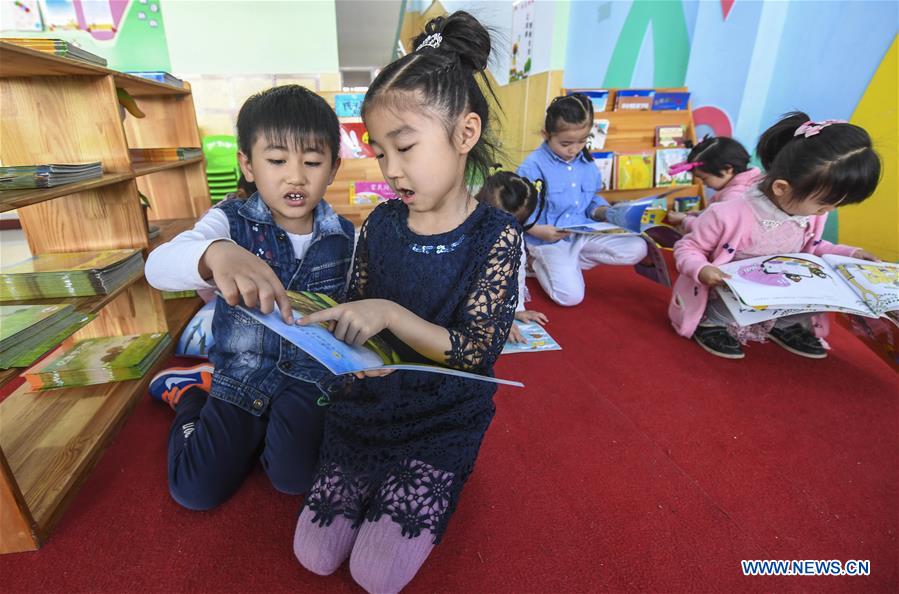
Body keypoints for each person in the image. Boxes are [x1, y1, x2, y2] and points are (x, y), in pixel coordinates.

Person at [291, 12, 522, 593]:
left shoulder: (496, 235)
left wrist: (390, 314)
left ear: (465, 134)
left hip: (444, 414)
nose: (391, 170)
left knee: (375, 574)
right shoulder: (382, 223)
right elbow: (358, 308)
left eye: (405, 147)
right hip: (372, 404)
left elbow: (473, 352)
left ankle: (445, 473)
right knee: (314, 554)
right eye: (380, 153)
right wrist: (329, 331)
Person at [144, 85, 355, 509]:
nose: (295, 177)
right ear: (248, 164)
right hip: (242, 375)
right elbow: (157, 268)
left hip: (309, 379)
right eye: (276, 161)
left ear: (333, 167)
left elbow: (357, 308)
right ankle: (192, 395)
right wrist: (214, 252)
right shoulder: (228, 221)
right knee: (194, 492)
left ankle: (265, 435)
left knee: (294, 480)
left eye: (312, 162)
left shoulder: (346, 236)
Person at [669, 112, 882, 359]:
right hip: (731, 289)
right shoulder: (728, 213)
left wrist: (850, 254)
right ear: (781, 188)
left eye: (836, 204)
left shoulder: (809, 213)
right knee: (731, 301)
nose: (829, 211)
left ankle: (782, 324)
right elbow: (688, 247)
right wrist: (702, 269)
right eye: (824, 204)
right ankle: (711, 322)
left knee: (822, 295)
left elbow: (814, 246)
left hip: (779, 287)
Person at [517, 93, 647, 307]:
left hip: (583, 232)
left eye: (582, 141)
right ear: (546, 135)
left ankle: (569, 263)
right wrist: (537, 231)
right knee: (570, 298)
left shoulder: (586, 162)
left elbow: (591, 198)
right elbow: (517, 209)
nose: (574, 149)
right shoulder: (532, 167)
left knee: (637, 248)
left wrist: (604, 212)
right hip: (549, 239)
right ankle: (535, 263)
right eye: (566, 143)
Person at [476, 169, 549, 343]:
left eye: (512, 226)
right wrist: (489, 320)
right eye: (498, 224)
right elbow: (466, 284)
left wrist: (516, 309)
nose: (505, 232)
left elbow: (516, 272)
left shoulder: (513, 235)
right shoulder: (463, 232)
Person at [666, 136, 761, 232]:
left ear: (728, 169)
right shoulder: (740, 189)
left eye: (704, 178)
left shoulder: (734, 196)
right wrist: (696, 214)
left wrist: (684, 220)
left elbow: (712, 230)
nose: (704, 184)